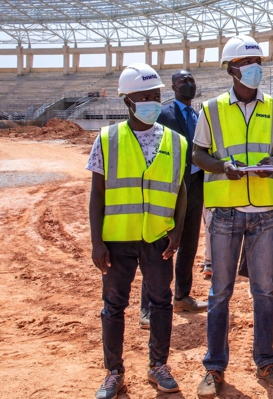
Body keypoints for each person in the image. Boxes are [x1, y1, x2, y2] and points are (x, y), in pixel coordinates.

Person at [193, 35, 273, 397]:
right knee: (220, 294)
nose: (255, 69)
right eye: (248, 63)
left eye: (258, 62)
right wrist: (222, 167)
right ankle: (215, 368)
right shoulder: (212, 109)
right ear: (232, 69)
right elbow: (198, 155)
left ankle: (265, 361)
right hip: (225, 214)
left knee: (264, 292)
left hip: (265, 213)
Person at [87, 63, 188, 399]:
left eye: (155, 96)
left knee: (161, 302)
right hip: (117, 238)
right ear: (127, 100)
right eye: (143, 96)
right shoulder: (107, 138)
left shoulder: (176, 141)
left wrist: (178, 231)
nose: (151, 102)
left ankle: (158, 365)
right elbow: (97, 193)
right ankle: (114, 373)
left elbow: (181, 189)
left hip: (158, 236)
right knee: (113, 306)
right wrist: (96, 241)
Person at [137, 70, 207, 332]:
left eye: (191, 80)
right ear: (174, 87)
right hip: (170, 188)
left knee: (189, 244)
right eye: (183, 81)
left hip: (195, 186)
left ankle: (182, 296)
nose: (189, 84)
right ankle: (148, 307)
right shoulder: (164, 114)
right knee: (159, 248)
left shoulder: (197, 115)